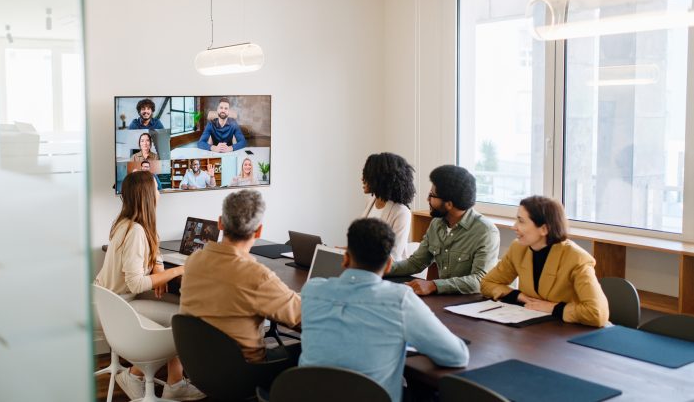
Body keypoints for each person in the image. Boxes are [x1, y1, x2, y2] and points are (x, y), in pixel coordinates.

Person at [299, 218, 469, 402]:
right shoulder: (400, 300)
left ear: (346, 257)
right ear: (389, 264)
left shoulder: (311, 290)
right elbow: (456, 356)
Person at [94, 171, 204, 401]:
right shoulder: (135, 231)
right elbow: (135, 284)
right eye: (156, 188)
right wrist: (181, 269)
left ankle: (174, 382)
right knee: (184, 322)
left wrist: (159, 270)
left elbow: (154, 251)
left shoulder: (132, 223)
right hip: (120, 305)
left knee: (182, 308)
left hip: (112, 301)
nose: (160, 193)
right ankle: (136, 375)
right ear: (147, 195)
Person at [180, 190, 301, 367]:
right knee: (305, 350)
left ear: (220, 223)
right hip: (244, 374)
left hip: (198, 367)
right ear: (259, 231)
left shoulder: (194, 260)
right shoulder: (257, 276)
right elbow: (301, 317)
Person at [481, 196, 610, 327]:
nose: (514, 227)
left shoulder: (577, 258)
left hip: (569, 332)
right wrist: (517, 295)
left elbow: (597, 313)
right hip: (534, 326)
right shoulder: (518, 248)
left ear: (544, 229)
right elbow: (488, 283)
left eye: (521, 221)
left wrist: (553, 308)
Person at [388, 165, 500, 296]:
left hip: (470, 305)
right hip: (442, 300)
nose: (427, 199)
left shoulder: (485, 231)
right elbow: (416, 263)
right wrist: (385, 268)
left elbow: (480, 280)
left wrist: (434, 285)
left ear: (449, 204)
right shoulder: (436, 223)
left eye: (432, 195)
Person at [360, 152, 415, 261]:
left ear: (381, 179)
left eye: (367, 175)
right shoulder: (370, 202)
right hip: (364, 266)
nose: (362, 179)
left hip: (388, 272)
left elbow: (393, 256)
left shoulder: (401, 212)